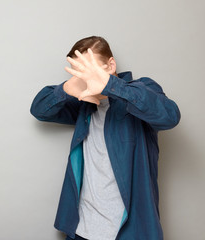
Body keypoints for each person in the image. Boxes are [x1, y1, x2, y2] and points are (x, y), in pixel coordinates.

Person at [29, 36, 181, 240]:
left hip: (129, 232)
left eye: (92, 71)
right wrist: (66, 89)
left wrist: (111, 85)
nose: (88, 79)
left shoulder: (141, 90)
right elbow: (39, 109)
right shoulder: (85, 105)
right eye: (81, 72)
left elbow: (170, 116)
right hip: (82, 229)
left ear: (111, 65)